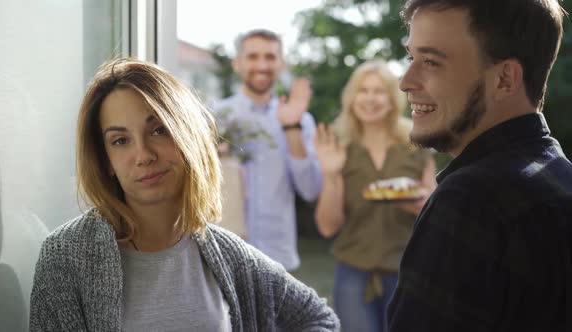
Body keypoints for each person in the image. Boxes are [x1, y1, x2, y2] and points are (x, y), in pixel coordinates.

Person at [29, 58, 339, 331]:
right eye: (120, 140)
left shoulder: (227, 253)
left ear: (186, 136)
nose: (144, 155)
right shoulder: (65, 256)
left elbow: (319, 318)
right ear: (105, 160)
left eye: (158, 130)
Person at [387, 1, 572, 331]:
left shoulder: (472, 200)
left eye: (430, 61)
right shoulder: (561, 178)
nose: (406, 80)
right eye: (410, 58)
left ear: (504, 79)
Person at [313, 60, 437, 332]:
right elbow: (327, 226)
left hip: (409, 270)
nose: (370, 99)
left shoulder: (417, 141)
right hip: (354, 273)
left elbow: (435, 210)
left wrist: (421, 204)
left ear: (392, 97)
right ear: (351, 97)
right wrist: (331, 174)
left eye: (379, 91)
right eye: (363, 90)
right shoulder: (339, 144)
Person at [213, 29, 322, 271]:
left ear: (281, 64)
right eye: (253, 57)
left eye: (270, 57)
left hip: (278, 258)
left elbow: (310, 190)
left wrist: (291, 127)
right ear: (237, 63)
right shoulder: (215, 117)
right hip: (223, 255)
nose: (262, 65)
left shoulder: (300, 121)